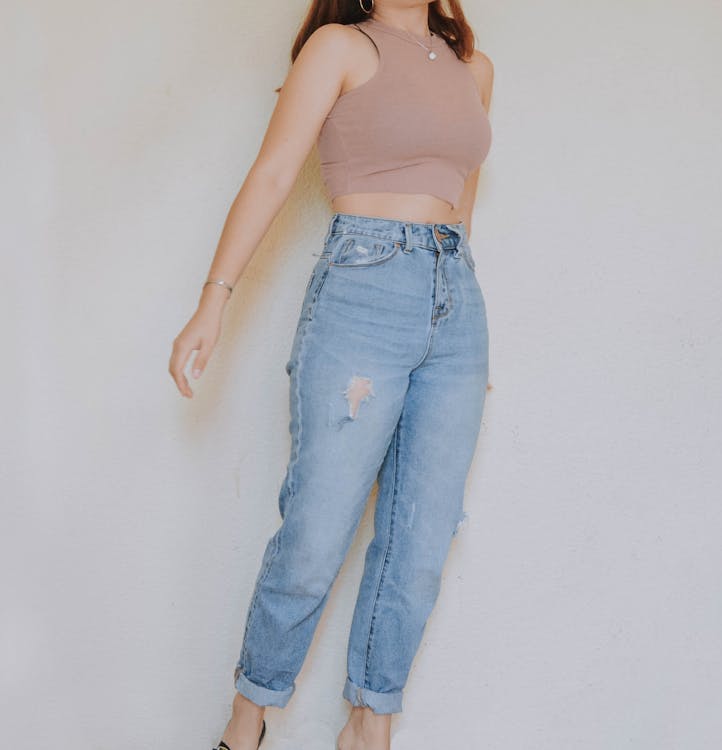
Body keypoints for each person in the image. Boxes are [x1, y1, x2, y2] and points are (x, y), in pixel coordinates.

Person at [169, 1, 493, 747]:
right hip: (362, 286)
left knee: (422, 534)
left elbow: (460, 211)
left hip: (456, 307)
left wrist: (459, 342)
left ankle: (368, 725)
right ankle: (246, 719)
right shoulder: (340, 47)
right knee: (317, 528)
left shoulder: (476, 69)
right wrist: (211, 301)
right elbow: (275, 171)